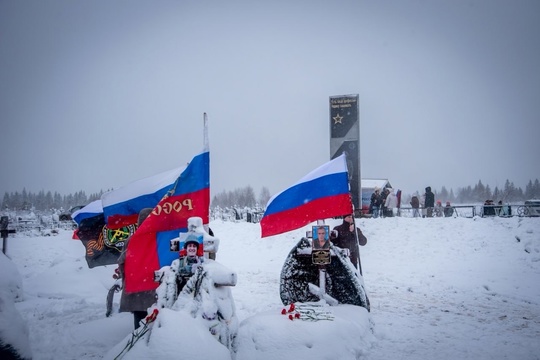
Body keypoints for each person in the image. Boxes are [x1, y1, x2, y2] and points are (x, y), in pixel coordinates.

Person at [118, 208, 156, 330]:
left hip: (136, 290)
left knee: (139, 327)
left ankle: (138, 346)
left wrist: (125, 281)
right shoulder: (159, 238)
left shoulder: (131, 239)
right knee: (155, 325)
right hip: (154, 289)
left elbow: (122, 262)